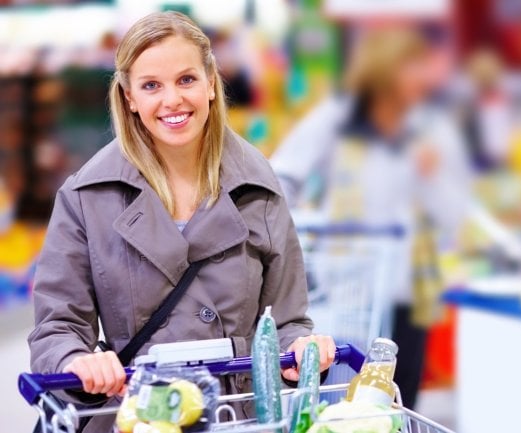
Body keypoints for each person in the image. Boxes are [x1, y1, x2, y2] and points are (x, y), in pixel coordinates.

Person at [27, 12, 334, 432]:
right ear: (129, 96)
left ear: (211, 83)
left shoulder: (258, 187)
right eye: (151, 85)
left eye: (186, 79)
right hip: (134, 416)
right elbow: (58, 326)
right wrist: (76, 360)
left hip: (234, 417)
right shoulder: (87, 196)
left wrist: (302, 350)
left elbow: (286, 319)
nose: (172, 100)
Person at [270, 27, 471, 409]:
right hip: (343, 294)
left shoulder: (433, 129)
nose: (423, 77)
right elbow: (280, 176)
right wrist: (296, 232)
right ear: (384, 69)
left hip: (409, 294)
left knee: (397, 405)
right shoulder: (338, 118)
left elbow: (455, 215)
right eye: (412, 66)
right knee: (339, 404)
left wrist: (432, 179)